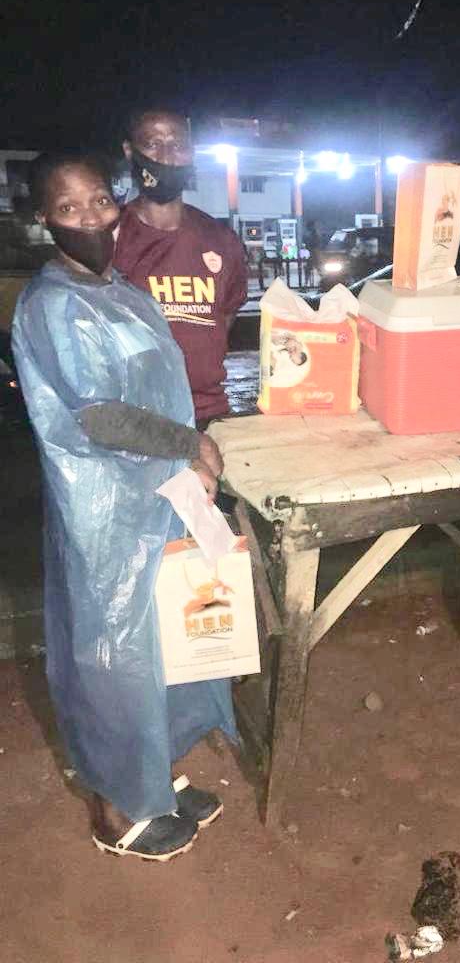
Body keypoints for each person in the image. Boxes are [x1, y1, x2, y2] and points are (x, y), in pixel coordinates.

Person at [12, 152, 238, 861]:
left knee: (163, 643)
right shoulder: (55, 304)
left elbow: (157, 391)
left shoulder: (122, 290)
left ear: (117, 204)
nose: (88, 217)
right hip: (107, 514)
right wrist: (193, 445)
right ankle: (116, 809)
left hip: (158, 497)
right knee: (113, 655)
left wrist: (189, 458)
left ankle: (152, 779)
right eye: (67, 206)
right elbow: (101, 417)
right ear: (42, 218)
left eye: (99, 201)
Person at [114, 109, 248, 428]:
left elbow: (224, 316)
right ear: (130, 151)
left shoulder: (221, 239)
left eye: (177, 145)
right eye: (152, 144)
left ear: (192, 153)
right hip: (139, 416)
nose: (166, 156)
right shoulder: (111, 237)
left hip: (208, 412)